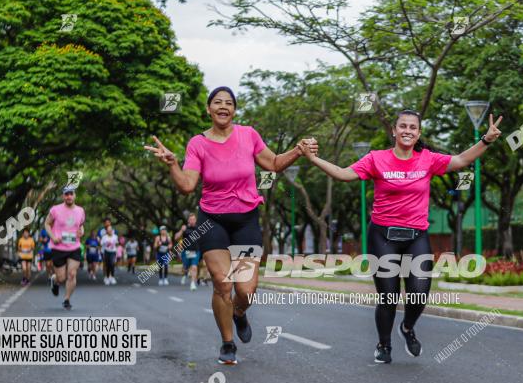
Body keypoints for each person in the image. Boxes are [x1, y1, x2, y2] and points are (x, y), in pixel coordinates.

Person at [298, 109, 502, 363]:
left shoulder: (427, 159)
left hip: (416, 236)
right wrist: (312, 158)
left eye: (413, 127)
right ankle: (384, 344)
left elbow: (460, 161)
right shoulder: (376, 159)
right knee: (389, 297)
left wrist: (486, 140)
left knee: (419, 292)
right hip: (383, 236)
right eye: (402, 126)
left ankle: (406, 327)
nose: (407, 131)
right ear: (394, 131)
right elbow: (343, 174)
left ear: (418, 133)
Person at [145, 85, 306, 364]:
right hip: (212, 221)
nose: (223, 107)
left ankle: (239, 313)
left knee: (245, 290)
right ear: (208, 109)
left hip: (245, 220)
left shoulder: (248, 135)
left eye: (228, 103)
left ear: (234, 109)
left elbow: (275, 164)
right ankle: (228, 342)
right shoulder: (198, 143)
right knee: (222, 282)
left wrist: (298, 150)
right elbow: (186, 185)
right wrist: (172, 164)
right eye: (217, 102)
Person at [46, 185, 86, 309]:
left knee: (72, 274)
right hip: (58, 247)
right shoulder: (55, 210)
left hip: (74, 247)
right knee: (61, 278)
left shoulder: (80, 210)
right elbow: (47, 224)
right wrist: (53, 237)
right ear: (63, 196)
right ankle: (54, 279)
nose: (69, 196)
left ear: (75, 195)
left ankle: (66, 299)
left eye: (71, 194)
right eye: (66, 194)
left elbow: (81, 225)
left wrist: (82, 231)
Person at [176, 213, 201, 291]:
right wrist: (181, 230)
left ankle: (193, 283)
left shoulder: (199, 228)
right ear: (188, 220)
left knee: (194, 267)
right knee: (185, 267)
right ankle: (185, 274)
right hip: (186, 251)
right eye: (191, 219)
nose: (192, 221)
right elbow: (176, 237)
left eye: (193, 219)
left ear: (196, 220)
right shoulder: (185, 228)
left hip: (196, 251)